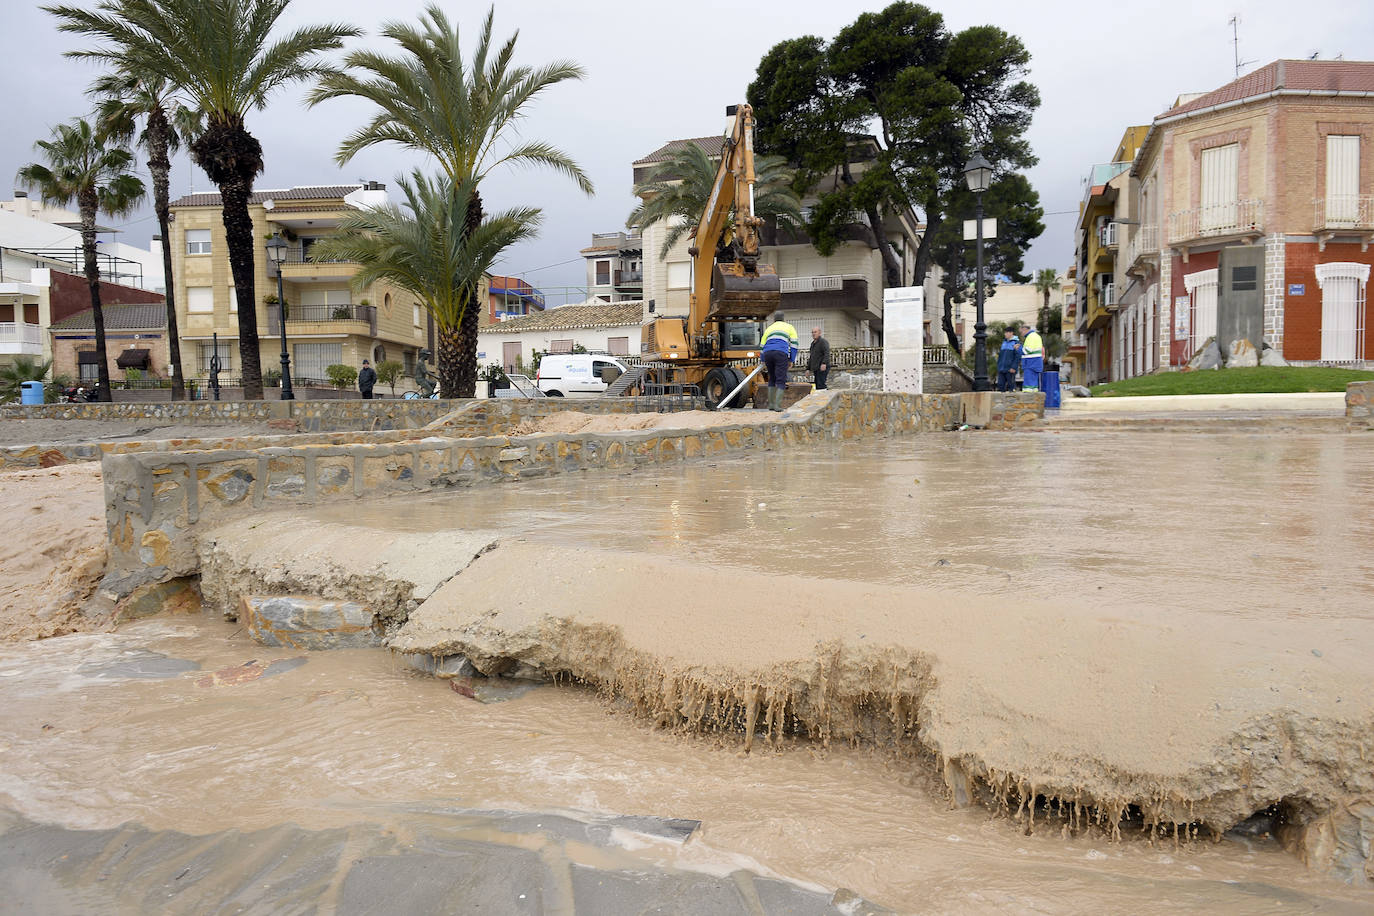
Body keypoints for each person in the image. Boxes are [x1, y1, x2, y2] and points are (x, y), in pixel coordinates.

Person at [759, 310, 798, 411]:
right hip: (780, 352)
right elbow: (794, 344)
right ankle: (777, 406)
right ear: (783, 319)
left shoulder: (769, 328)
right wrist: (791, 359)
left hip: (768, 353)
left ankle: (771, 405)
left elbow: (762, 345)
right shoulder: (789, 327)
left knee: (772, 378)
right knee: (781, 379)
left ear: (774, 319)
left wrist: (763, 359)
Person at [1019, 323, 1044, 392]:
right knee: (1034, 385)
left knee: (1028, 387)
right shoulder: (1037, 336)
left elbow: (1026, 351)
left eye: (1021, 332)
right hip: (1036, 362)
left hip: (1030, 363)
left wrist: (1018, 348)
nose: (1021, 334)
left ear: (1025, 329)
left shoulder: (1030, 337)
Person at [996, 327, 1020, 392]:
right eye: (1005, 332)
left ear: (1011, 333)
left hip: (1010, 369)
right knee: (1000, 385)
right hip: (1001, 369)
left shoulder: (1016, 343)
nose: (1005, 334)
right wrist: (998, 366)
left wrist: (1014, 367)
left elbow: (1017, 357)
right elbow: (1000, 356)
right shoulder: (1004, 342)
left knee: (1011, 386)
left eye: (1006, 332)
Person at [806, 326, 831, 390]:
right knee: (817, 385)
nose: (813, 334)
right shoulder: (812, 344)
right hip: (816, 368)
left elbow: (826, 353)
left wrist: (824, 363)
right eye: (812, 332)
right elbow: (811, 357)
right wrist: (808, 369)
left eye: (815, 332)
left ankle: (825, 398)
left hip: (822, 367)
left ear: (819, 333)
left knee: (821, 384)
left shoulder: (823, 342)